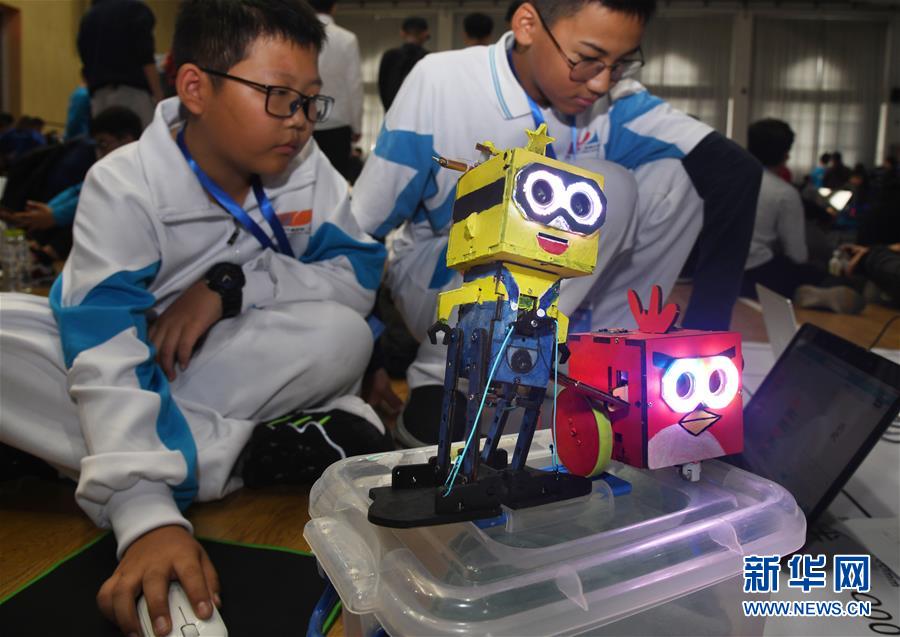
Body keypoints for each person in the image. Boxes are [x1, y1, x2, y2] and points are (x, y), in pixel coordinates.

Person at [0, 2, 390, 636]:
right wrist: (148, 520)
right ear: (195, 87)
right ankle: (238, 454)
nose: (298, 120)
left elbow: (357, 278)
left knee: (342, 335)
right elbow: (103, 350)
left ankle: (89, 457)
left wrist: (232, 288)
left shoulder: (306, 170)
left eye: (309, 100)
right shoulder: (123, 184)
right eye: (278, 96)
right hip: (121, 363)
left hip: (210, 370)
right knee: (12, 336)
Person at [352, 0, 761, 446]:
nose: (601, 82)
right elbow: (363, 225)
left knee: (675, 179)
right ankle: (451, 380)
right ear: (528, 25)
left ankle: (600, 367)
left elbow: (735, 171)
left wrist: (705, 347)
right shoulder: (442, 81)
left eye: (620, 64)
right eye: (587, 59)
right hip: (441, 275)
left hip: (544, 298)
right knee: (602, 186)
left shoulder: (615, 103)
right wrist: (370, 354)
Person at [740, 119, 863, 313]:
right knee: (817, 272)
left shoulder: (727, 180)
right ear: (786, 154)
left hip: (717, 270)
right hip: (758, 274)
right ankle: (799, 292)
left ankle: (797, 292)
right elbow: (797, 254)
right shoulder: (784, 193)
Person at [0, 107, 143, 261]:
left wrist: (54, 216)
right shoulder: (109, 170)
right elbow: (80, 190)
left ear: (127, 141)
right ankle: (41, 250)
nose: (100, 153)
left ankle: (47, 254)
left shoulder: (137, 172)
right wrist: (50, 209)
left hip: (128, 244)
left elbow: (91, 200)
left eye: (103, 144)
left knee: (87, 217)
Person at [77, 0, 164, 128]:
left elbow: (85, 65)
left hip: (99, 97)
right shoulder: (135, 10)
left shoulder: (88, 18)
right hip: (133, 94)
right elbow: (146, 57)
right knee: (141, 139)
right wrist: (159, 97)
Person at [310, 0, 364, 180]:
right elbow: (354, 85)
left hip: (305, 119)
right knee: (336, 180)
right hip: (338, 122)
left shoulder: (298, 34)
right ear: (334, 7)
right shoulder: (347, 39)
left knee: (304, 178)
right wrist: (357, 125)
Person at [377, 16, 430, 110]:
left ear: (402, 33)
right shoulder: (429, 58)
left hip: (394, 111)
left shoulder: (390, 56)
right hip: (421, 112)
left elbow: (382, 87)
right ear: (425, 34)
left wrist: (390, 111)